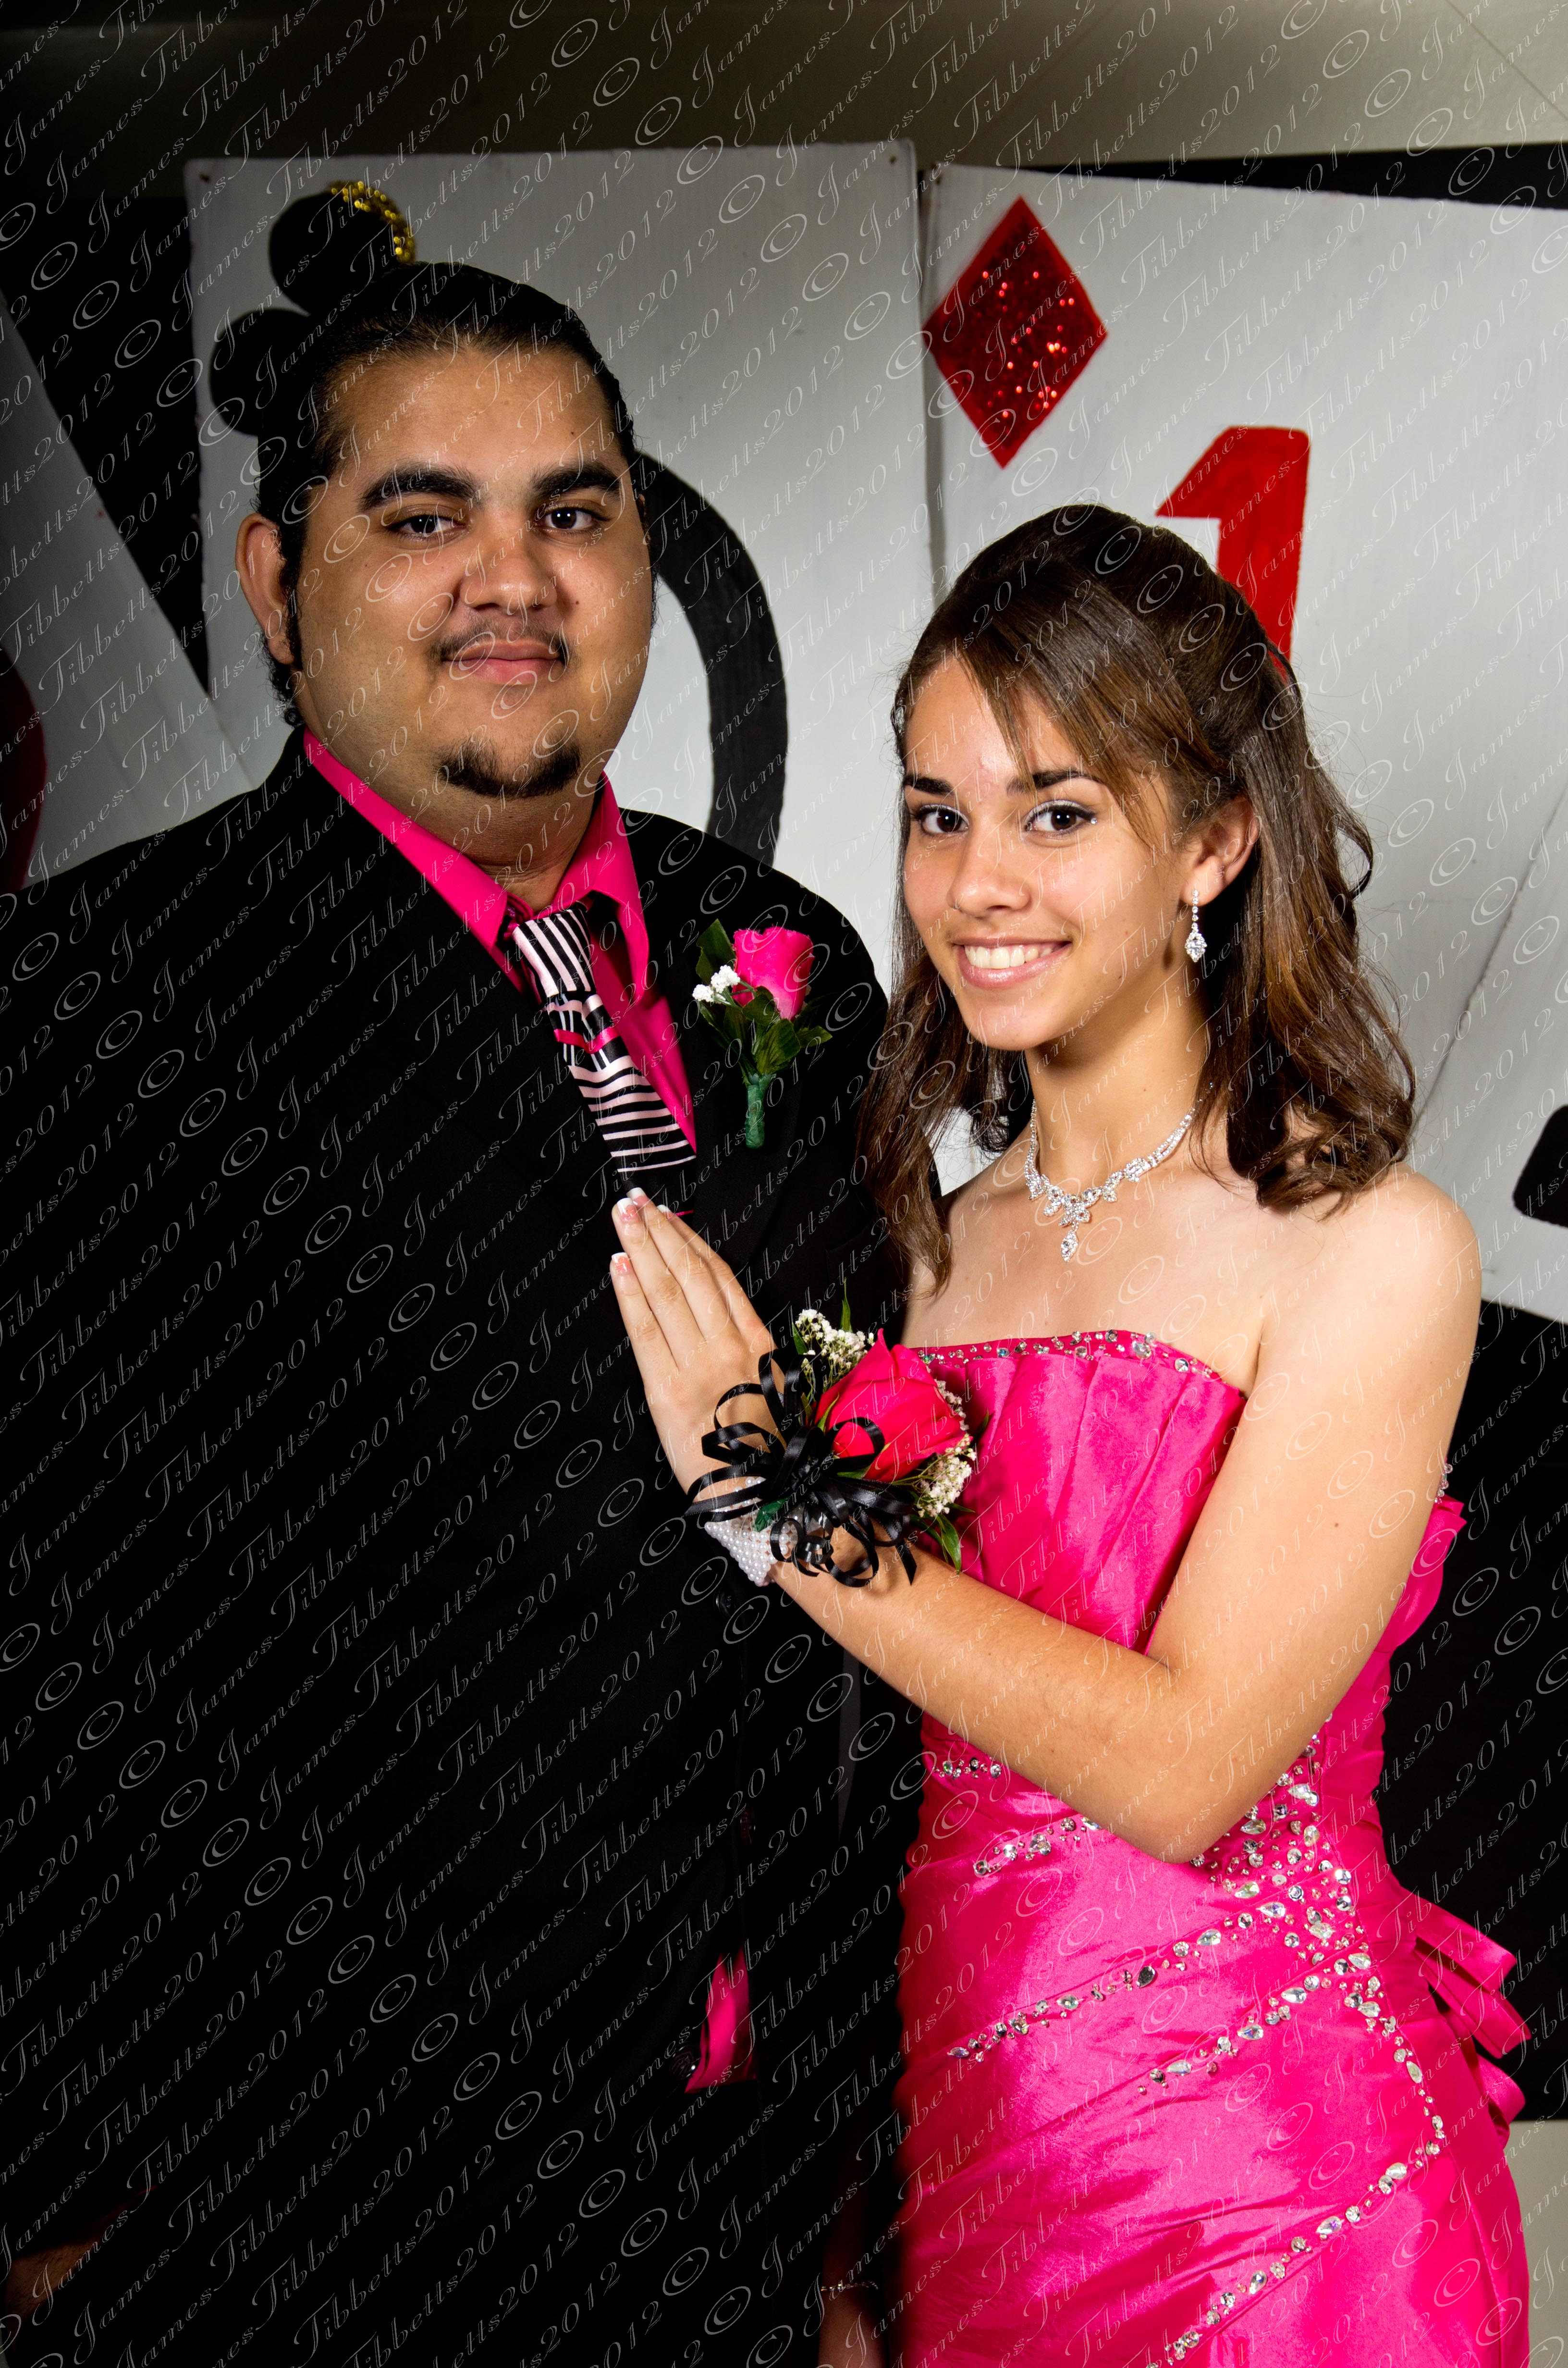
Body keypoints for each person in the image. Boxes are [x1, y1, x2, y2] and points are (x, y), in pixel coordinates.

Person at [0, 189, 913, 2366]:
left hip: (744, 2190)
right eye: (423, 517)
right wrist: (52, 2210)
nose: (514, 575)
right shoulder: (99, 1001)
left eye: (571, 512)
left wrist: (857, 2189)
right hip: (295, 2207)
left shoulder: (789, 956)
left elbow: (857, 1551)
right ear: (277, 584)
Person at [611, 505, 1530, 2367]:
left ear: (1214, 839)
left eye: (1056, 812)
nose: (977, 884)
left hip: (1285, 2192)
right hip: (971, 2164)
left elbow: (1187, 1768)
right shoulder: (918, 1249)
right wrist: (848, 2221)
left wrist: (776, 1502)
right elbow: (862, 1785)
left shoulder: (1370, 1246)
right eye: (936, 812)